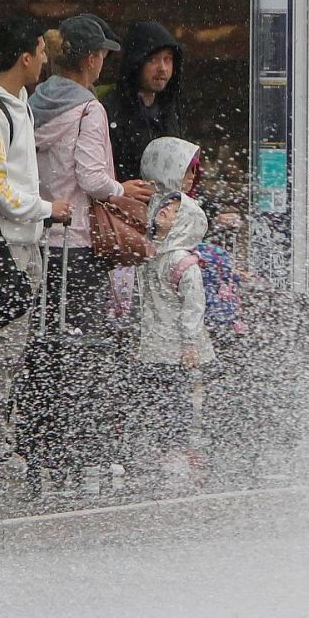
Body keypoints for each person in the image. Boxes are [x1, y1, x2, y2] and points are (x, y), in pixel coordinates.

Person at [0, 17, 68, 473]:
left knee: (13, 351)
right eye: (42, 51)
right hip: (4, 248)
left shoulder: (21, 103)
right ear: (25, 57)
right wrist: (46, 208)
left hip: (29, 245)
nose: (47, 59)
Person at [30, 14, 153, 336]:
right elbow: (92, 179)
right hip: (76, 238)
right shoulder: (88, 109)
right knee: (79, 337)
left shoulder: (33, 104)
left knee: (42, 334)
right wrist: (121, 189)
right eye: (102, 56)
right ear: (90, 58)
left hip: (36, 236)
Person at [134, 137, 215, 473]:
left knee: (175, 398)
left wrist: (191, 343)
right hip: (155, 342)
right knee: (157, 396)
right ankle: (159, 446)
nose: (165, 210)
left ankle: (176, 447)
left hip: (176, 346)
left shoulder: (181, 261)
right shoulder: (153, 254)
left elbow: (194, 307)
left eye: (173, 209)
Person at [102, 22, 185, 182]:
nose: (162, 68)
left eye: (167, 59)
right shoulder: (111, 109)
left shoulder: (170, 108)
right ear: (136, 63)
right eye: (153, 60)